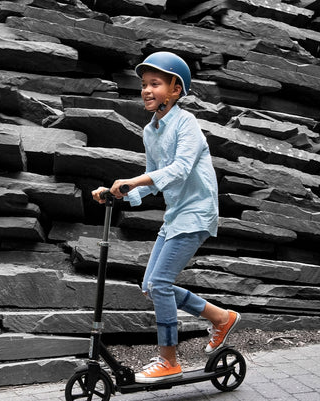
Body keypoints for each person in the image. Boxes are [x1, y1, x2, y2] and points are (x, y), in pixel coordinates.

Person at [92, 51, 241, 383]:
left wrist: (136, 181)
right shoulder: (151, 131)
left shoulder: (186, 123)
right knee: (150, 285)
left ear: (176, 90)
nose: (146, 90)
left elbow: (180, 169)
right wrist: (117, 192)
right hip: (176, 215)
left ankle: (168, 360)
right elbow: (152, 178)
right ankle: (221, 318)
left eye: (155, 84)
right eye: (144, 85)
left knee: (159, 284)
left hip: (197, 213)